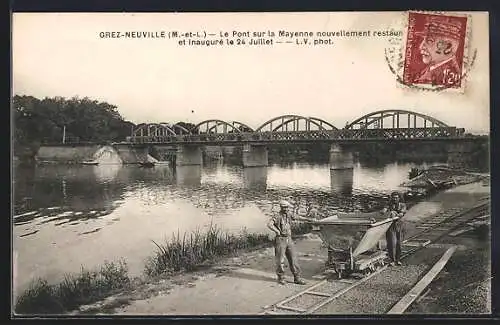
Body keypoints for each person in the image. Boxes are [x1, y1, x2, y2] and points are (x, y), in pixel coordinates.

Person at [267, 200, 315, 285]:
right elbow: (269, 224)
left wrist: (309, 219)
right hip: (280, 240)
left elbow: (298, 217)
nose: (287, 209)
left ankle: (297, 278)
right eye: (285, 207)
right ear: (281, 207)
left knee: (293, 259)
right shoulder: (277, 216)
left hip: (289, 239)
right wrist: (277, 231)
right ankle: (281, 278)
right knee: (280, 260)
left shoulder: (289, 215)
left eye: (287, 207)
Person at [413, 17, 464, 87]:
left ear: (448, 47)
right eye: (423, 40)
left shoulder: (446, 78)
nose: (421, 46)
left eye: (430, 41)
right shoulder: (430, 70)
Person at [381, 191, 407, 266]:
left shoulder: (402, 205)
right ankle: (392, 260)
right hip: (390, 226)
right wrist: (384, 211)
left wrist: (396, 213)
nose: (395, 199)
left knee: (399, 243)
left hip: (400, 226)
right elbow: (384, 210)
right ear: (391, 198)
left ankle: (398, 259)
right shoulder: (389, 204)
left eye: (396, 198)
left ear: (399, 198)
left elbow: (402, 213)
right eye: (393, 198)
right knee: (391, 243)